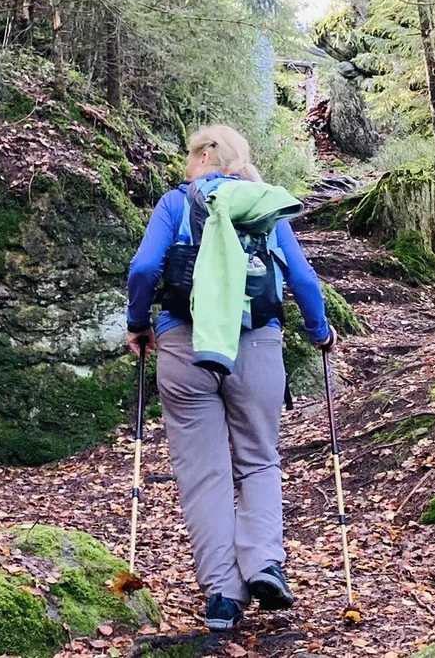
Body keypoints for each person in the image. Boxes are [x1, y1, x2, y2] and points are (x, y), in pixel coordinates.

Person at [125, 124, 336, 631]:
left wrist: (138, 324)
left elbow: (143, 268)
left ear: (202, 155)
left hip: (185, 345)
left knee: (204, 474)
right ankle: (264, 562)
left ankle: (222, 594)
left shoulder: (175, 204)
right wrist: (319, 331)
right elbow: (303, 279)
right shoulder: (263, 203)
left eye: (189, 154)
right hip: (257, 344)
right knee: (259, 461)